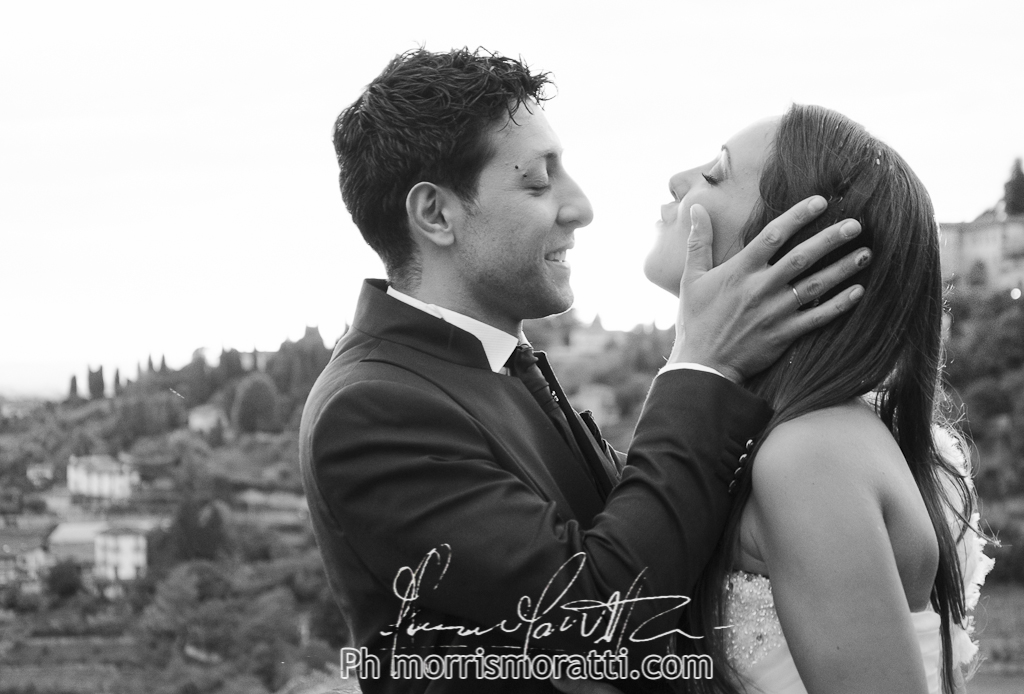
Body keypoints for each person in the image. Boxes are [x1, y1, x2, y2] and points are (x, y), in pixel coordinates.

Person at [299, 48, 867, 694]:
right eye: (539, 183)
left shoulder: (488, 363)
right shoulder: (373, 408)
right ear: (435, 214)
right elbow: (599, 613)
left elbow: (645, 531)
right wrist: (702, 365)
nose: (582, 207)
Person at [644, 104, 993, 694]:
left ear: (790, 247)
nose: (678, 181)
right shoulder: (803, 435)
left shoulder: (811, 453)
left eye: (714, 174)